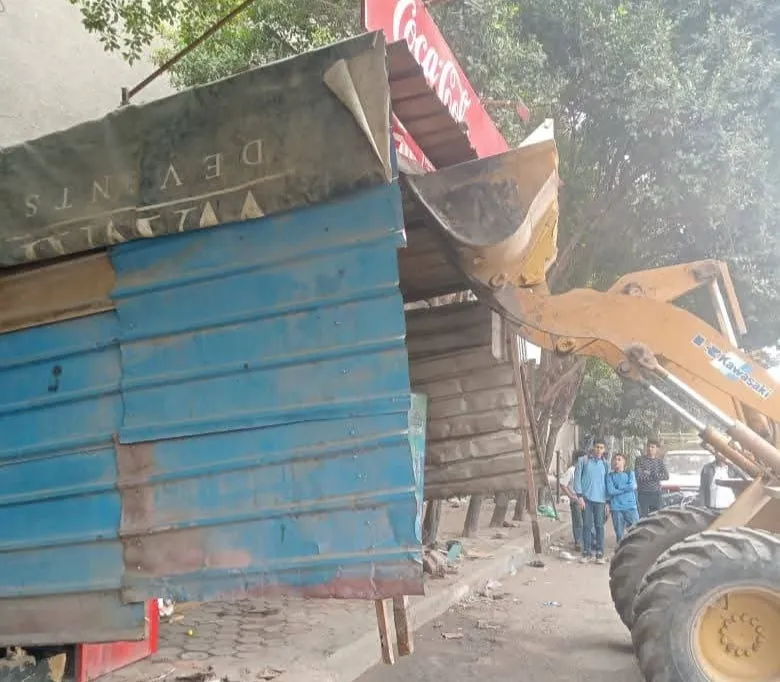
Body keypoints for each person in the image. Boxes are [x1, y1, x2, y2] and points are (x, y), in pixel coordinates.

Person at [573, 438, 610, 564]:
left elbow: (607, 482)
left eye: (601, 448)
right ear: (593, 447)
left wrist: (608, 502)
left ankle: (600, 553)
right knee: (587, 526)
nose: (599, 450)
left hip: (601, 500)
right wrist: (579, 497)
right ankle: (586, 553)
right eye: (597, 447)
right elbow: (577, 479)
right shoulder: (583, 461)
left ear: (604, 450)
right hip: (586, 500)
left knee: (599, 526)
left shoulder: (606, 464)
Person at [607, 453, 640, 542]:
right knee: (619, 535)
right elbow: (611, 491)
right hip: (616, 508)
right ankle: (621, 550)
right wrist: (626, 488)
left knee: (636, 532)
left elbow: (632, 486)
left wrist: (618, 487)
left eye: (619, 459)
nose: (616, 461)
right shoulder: (610, 476)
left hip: (630, 506)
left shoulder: (630, 473)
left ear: (624, 462)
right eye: (615, 459)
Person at [635, 439, 669, 517]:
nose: (650, 449)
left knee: (656, 518)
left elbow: (666, 476)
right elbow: (639, 476)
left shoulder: (659, 461)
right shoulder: (640, 460)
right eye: (648, 446)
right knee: (643, 518)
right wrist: (656, 476)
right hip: (643, 493)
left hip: (656, 493)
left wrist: (650, 473)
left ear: (656, 449)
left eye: (652, 447)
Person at [561, 450, 587, 551]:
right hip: (576, 500)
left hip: (585, 499)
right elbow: (563, 484)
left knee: (586, 521)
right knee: (578, 521)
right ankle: (578, 542)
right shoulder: (571, 470)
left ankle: (585, 541)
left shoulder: (586, 470)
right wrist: (571, 496)